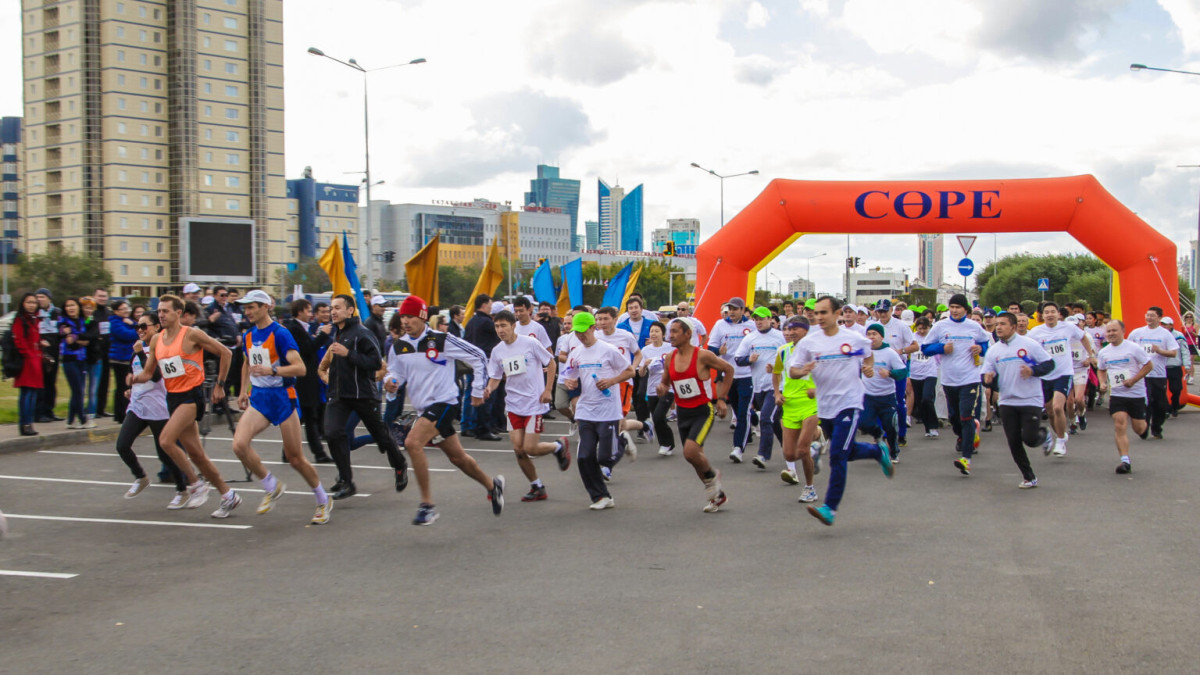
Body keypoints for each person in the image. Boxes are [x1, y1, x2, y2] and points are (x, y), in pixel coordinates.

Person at [383, 295, 504, 526]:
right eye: (403, 316)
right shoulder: (399, 346)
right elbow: (395, 373)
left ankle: (427, 506)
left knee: (412, 443)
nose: (405, 321)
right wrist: (391, 383)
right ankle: (492, 486)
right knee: (458, 458)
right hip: (423, 409)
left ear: (423, 317)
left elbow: (479, 356)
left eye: (410, 316)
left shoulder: (442, 339)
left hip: (445, 402)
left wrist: (478, 390)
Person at [788, 296, 892, 527]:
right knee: (847, 451)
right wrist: (803, 371)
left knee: (837, 455)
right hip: (825, 406)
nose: (819, 317)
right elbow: (793, 371)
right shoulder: (809, 342)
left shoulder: (854, 339)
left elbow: (868, 354)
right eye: (817, 313)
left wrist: (868, 367)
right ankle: (877, 451)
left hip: (850, 402)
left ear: (837, 314)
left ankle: (830, 508)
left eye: (824, 312)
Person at [130, 294, 238, 517]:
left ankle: (196, 485)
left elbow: (226, 353)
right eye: (159, 311)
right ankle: (228, 495)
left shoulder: (191, 334)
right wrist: (133, 380)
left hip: (192, 396)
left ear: (178, 313)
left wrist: (220, 385)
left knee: (166, 440)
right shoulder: (156, 340)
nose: (161, 315)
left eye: (165, 311)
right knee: (197, 454)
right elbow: (149, 373)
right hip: (173, 397)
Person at [230, 291, 332, 525]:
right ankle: (271, 485)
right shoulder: (248, 335)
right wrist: (244, 390)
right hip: (260, 399)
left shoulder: (280, 334)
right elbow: (247, 362)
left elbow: (300, 368)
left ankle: (323, 499)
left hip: (283, 397)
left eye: (251, 307)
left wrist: (273, 370)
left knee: (295, 458)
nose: (247, 312)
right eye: (245, 308)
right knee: (239, 445)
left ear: (265, 307)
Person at [317, 294, 409, 500]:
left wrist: (348, 354)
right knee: (333, 433)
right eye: (332, 308)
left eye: (338, 307)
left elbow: (375, 362)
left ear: (350, 310)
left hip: (363, 395)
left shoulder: (362, 333)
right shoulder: (338, 333)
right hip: (339, 395)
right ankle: (346, 480)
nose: (333, 312)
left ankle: (400, 464)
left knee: (381, 436)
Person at [484, 310, 571, 502]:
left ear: (513, 326)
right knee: (519, 449)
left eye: (503, 325)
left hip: (534, 404)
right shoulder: (497, 351)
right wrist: (489, 388)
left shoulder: (530, 343)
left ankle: (557, 446)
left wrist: (548, 390)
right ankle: (537, 486)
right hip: (513, 405)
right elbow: (495, 377)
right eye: (497, 326)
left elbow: (551, 363)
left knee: (530, 448)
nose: (500, 330)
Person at [656, 317, 735, 512]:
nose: (670, 335)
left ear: (688, 334)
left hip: (702, 411)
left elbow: (728, 369)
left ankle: (713, 477)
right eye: (669, 331)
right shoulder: (670, 357)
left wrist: (722, 398)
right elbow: (665, 382)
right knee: (693, 457)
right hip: (683, 412)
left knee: (690, 451)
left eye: (675, 331)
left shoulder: (703, 355)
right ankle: (717, 496)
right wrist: (662, 388)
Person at [114, 312, 190, 507]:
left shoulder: (164, 350)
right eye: (137, 327)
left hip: (159, 408)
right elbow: (134, 373)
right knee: (122, 445)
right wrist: (131, 387)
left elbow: (155, 376)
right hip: (138, 406)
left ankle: (182, 489)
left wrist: (141, 353)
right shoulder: (136, 350)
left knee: (164, 453)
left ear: (157, 327)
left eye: (144, 326)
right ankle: (140, 477)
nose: (140, 330)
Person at [563, 311, 636, 510]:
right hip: (586, 410)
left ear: (593, 328)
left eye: (583, 331)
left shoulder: (608, 350)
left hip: (608, 410)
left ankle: (622, 441)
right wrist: (570, 382)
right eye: (576, 332)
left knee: (605, 457)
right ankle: (601, 497)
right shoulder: (576, 353)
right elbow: (569, 375)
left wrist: (612, 381)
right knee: (584, 457)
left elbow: (630, 371)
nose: (580, 335)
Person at [981, 312, 1055, 488]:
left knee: (1029, 438)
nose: (998, 327)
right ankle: (1029, 477)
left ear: (1013, 327)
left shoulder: (1029, 344)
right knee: (1013, 442)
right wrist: (987, 379)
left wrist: (1032, 371)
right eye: (997, 324)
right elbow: (985, 375)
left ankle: (1043, 435)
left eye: (1003, 324)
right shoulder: (993, 350)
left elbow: (1049, 364)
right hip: (1007, 401)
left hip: (1030, 399)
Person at [920, 293, 990, 473]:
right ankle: (964, 435)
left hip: (970, 378)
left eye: (958, 307)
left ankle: (966, 458)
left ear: (965, 309)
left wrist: (980, 348)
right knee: (954, 417)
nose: (954, 310)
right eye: (952, 307)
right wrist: (942, 348)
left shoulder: (974, 326)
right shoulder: (940, 326)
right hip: (949, 379)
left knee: (966, 415)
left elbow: (986, 344)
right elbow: (925, 348)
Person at [1028, 302, 1095, 457]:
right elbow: (1028, 349)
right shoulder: (1036, 332)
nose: (1050, 314)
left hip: (1063, 373)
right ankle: (1061, 434)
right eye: (1046, 312)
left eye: (1053, 311)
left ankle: (1060, 441)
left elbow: (1083, 337)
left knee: (1058, 407)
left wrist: (1090, 355)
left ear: (1058, 313)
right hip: (1045, 375)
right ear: (1042, 315)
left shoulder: (1068, 327)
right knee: (1050, 411)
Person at [773, 315, 821, 504]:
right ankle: (818, 437)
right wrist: (777, 394)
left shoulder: (817, 350)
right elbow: (777, 373)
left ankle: (809, 488)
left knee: (802, 449)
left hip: (811, 403)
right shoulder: (783, 351)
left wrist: (818, 389)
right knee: (790, 454)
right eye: (788, 329)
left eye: (795, 329)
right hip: (790, 404)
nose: (790, 332)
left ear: (806, 330)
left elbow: (831, 375)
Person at [1097, 320, 1154, 474]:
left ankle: (1144, 427)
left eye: (1114, 330)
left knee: (1139, 428)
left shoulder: (1133, 348)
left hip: (1136, 394)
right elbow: (1101, 369)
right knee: (1119, 424)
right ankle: (1125, 461)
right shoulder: (1104, 352)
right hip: (1117, 394)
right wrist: (1102, 383)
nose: (1111, 334)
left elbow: (1149, 365)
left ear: (1123, 331)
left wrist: (1133, 380)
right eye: (1108, 331)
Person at [732, 306, 786, 468]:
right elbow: (738, 359)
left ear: (770, 319)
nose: (758, 322)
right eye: (756, 319)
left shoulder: (780, 337)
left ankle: (763, 455)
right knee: (773, 421)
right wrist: (749, 359)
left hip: (777, 386)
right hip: (758, 386)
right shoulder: (750, 338)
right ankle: (790, 449)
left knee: (765, 418)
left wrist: (777, 367)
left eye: (762, 319)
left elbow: (791, 357)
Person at [282, 299, 333, 464]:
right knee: (308, 416)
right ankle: (318, 453)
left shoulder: (303, 328)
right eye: (308, 310)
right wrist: (323, 335)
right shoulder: (294, 328)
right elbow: (306, 350)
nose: (310, 314)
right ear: (300, 312)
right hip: (302, 379)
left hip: (308, 379)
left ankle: (288, 452)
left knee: (304, 417)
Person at [706, 297, 755, 460]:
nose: (731, 312)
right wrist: (719, 351)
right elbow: (711, 349)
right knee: (738, 408)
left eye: (735, 309)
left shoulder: (751, 326)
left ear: (742, 310)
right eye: (730, 309)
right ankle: (753, 421)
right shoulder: (720, 325)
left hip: (747, 374)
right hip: (729, 375)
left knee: (742, 412)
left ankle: (738, 448)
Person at [859, 323, 908, 462]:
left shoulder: (890, 353)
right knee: (863, 423)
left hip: (887, 397)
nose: (871, 337)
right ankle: (878, 436)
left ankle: (894, 452)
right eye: (869, 334)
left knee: (890, 427)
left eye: (874, 334)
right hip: (868, 396)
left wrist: (890, 373)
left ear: (881, 336)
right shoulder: (863, 352)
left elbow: (903, 371)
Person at [1127, 307, 1177, 439]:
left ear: (1159, 318)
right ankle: (1144, 429)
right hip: (1142, 375)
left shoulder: (1165, 334)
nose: (1149, 318)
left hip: (1158, 375)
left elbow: (1173, 352)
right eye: (1147, 315)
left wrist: (1159, 350)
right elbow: (1128, 349)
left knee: (1160, 404)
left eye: (1152, 316)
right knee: (1146, 402)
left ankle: (1157, 428)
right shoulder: (1137, 333)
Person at [873, 299, 918, 447]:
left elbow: (915, 346)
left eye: (885, 311)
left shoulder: (901, 326)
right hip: (879, 369)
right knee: (878, 401)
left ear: (891, 310)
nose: (882, 314)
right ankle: (883, 434)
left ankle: (902, 433)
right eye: (879, 311)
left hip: (897, 368)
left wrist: (900, 351)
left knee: (899, 401)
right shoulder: (873, 327)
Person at [463, 293, 502, 441]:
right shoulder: (487, 322)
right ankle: (483, 428)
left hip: (471, 363)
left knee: (470, 394)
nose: (491, 308)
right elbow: (499, 339)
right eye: (490, 305)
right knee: (486, 395)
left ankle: (468, 425)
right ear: (484, 305)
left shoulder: (471, 322)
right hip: (485, 362)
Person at [640, 321, 677, 456]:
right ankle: (666, 444)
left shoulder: (670, 348)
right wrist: (645, 365)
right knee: (657, 419)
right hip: (652, 389)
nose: (653, 334)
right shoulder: (645, 350)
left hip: (668, 388)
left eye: (657, 331)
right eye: (652, 331)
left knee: (658, 416)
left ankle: (667, 444)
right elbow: (641, 373)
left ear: (663, 334)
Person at [11, 293, 45, 436]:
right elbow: (19, 341)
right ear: (23, 304)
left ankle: (29, 423)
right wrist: (29, 355)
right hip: (27, 362)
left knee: (33, 394)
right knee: (27, 393)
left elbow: (35, 339)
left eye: (34, 302)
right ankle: (24, 424)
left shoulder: (35, 319)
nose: (32, 305)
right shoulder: (20, 320)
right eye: (29, 302)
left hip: (35, 360)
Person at [58, 297, 93, 429]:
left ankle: (71, 420)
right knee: (78, 390)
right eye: (67, 306)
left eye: (72, 305)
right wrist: (79, 340)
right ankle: (82, 419)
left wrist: (77, 338)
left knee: (78, 390)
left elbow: (88, 338)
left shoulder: (83, 320)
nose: (70, 308)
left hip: (82, 358)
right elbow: (68, 341)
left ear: (78, 307)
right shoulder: (64, 322)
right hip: (69, 359)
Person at [107, 301, 140, 424]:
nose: (126, 311)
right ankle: (121, 414)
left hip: (127, 357)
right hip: (120, 358)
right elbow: (127, 335)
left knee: (126, 386)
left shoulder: (126, 321)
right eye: (123, 309)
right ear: (116, 311)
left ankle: (122, 413)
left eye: (127, 308)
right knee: (123, 386)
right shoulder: (115, 322)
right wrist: (134, 326)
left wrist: (133, 324)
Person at [908, 317, 940, 438]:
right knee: (920, 402)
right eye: (919, 328)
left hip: (930, 372)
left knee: (927, 398)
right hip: (915, 373)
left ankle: (933, 425)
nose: (922, 331)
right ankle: (927, 427)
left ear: (929, 327)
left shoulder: (933, 337)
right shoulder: (912, 338)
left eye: (924, 328)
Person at [34, 288, 62, 423]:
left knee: (51, 382)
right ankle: (39, 413)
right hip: (40, 353)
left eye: (42, 297)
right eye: (37, 297)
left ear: (49, 298)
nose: (39, 299)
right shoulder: (35, 313)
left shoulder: (57, 313)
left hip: (54, 352)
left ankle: (49, 410)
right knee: (41, 383)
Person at [1161, 316, 1191, 416]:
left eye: (1165, 324)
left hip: (1175, 366)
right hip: (1161, 366)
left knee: (1176, 389)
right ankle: (1166, 409)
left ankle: (1174, 406)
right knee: (1161, 389)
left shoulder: (1179, 336)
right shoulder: (1158, 335)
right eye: (1162, 324)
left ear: (1171, 325)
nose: (1163, 326)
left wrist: (1187, 365)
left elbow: (1185, 351)